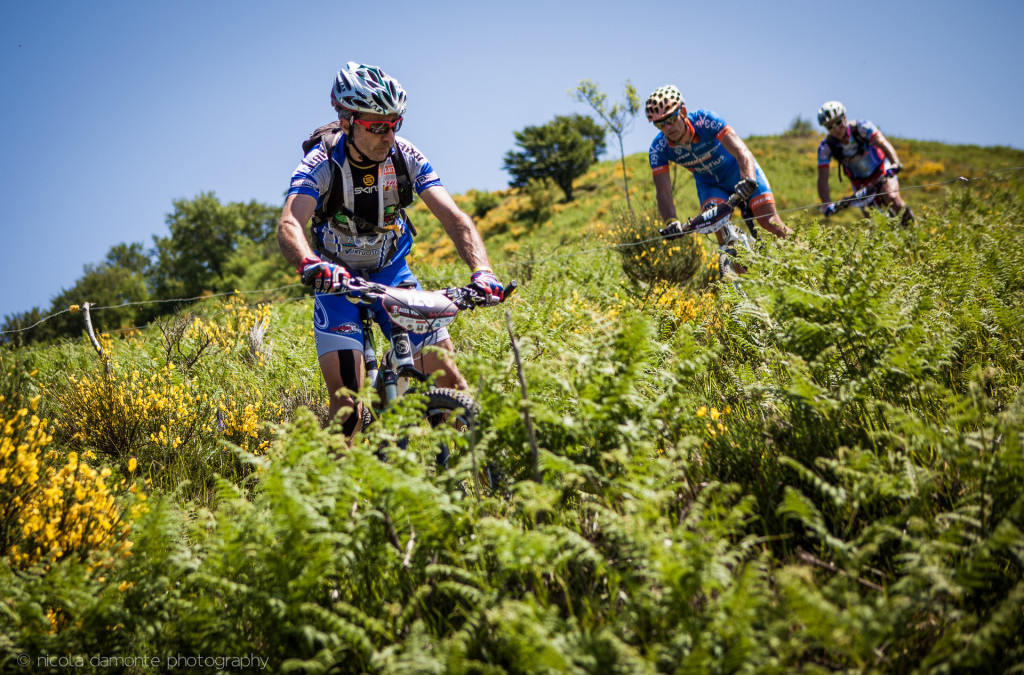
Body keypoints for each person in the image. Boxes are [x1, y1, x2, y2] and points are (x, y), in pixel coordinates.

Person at [277, 62, 503, 436]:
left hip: (391, 271)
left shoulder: (405, 155)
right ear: (348, 122)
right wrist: (311, 264)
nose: (388, 136)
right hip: (337, 280)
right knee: (348, 407)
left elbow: (454, 218)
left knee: (452, 385)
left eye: (395, 124)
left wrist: (483, 272)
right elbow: (290, 224)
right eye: (377, 126)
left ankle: (466, 482)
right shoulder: (321, 162)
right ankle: (341, 494)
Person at [646, 85, 792, 258]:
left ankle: (808, 256)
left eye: (670, 119)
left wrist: (748, 180)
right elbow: (663, 193)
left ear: (683, 111)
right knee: (723, 236)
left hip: (738, 172)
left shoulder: (705, 120)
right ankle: (743, 281)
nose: (668, 128)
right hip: (710, 186)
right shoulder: (658, 148)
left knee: (770, 223)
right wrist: (671, 221)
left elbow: (742, 152)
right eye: (660, 124)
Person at [816, 100, 913, 225]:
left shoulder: (862, 128)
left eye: (838, 123)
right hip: (860, 182)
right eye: (830, 127)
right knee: (871, 218)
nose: (836, 129)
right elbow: (822, 178)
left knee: (891, 197)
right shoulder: (826, 147)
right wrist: (826, 204)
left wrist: (895, 163)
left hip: (881, 169)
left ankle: (913, 230)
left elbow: (882, 143)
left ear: (844, 118)